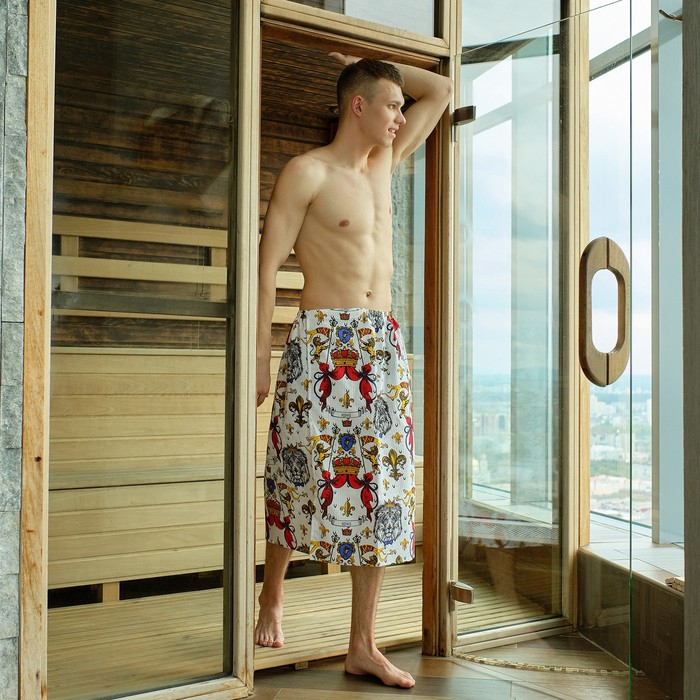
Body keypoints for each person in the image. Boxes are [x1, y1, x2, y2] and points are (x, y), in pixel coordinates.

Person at [255, 51, 452, 689]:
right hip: (321, 338)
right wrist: (259, 358)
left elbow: (441, 89)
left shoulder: (384, 164)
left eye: (400, 107)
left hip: (380, 342)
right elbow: (265, 269)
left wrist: (371, 64)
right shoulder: (306, 172)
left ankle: (362, 645)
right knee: (296, 470)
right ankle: (272, 597)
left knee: (384, 491)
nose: (400, 116)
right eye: (390, 105)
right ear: (358, 107)